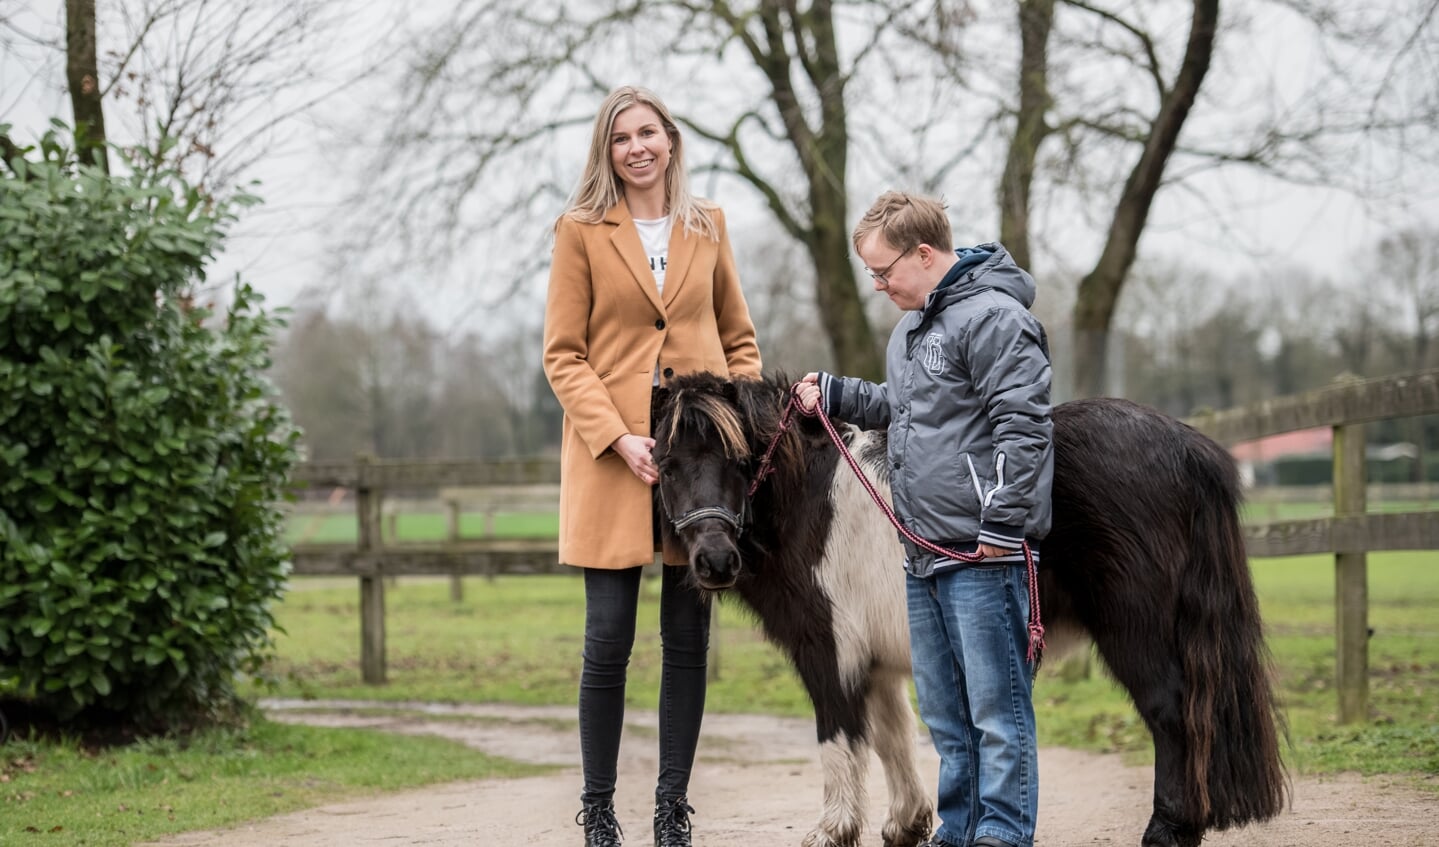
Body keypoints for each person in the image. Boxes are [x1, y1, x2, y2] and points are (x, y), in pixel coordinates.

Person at [794, 191, 1053, 847]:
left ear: (926, 253)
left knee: (996, 709)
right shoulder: (910, 329)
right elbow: (908, 409)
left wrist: (1002, 525)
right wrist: (837, 393)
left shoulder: (995, 319)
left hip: (981, 553)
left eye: (884, 271)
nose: (877, 284)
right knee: (944, 710)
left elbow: (1023, 430)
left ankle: (1001, 831)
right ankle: (959, 825)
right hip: (922, 551)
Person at [542, 85, 762, 847]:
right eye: (619, 137)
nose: (636, 147)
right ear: (606, 152)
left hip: (697, 468)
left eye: (647, 133)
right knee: (607, 639)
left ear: (670, 139)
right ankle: (598, 810)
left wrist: (736, 423)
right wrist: (616, 434)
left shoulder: (711, 226)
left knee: (686, 638)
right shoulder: (578, 231)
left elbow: (740, 342)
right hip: (615, 461)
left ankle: (672, 810)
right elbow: (562, 355)